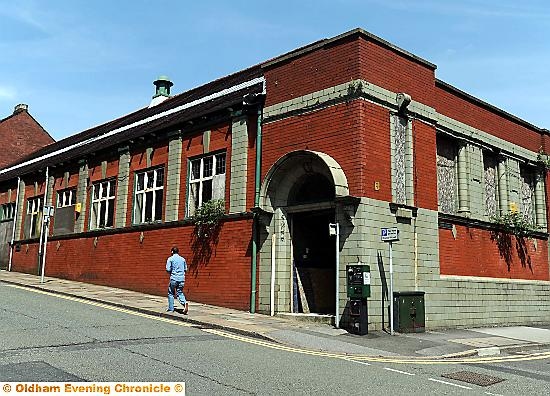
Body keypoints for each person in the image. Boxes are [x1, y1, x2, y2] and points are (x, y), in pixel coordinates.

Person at [166, 246, 188, 314]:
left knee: (171, 293)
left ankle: (171, 308)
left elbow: (168, 269)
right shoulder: (183, 259)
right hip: (182, 279)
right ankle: (184, 303)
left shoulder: (170, 259)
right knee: (180, 292)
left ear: (172, 252)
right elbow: (185, 269)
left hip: (174, 278)